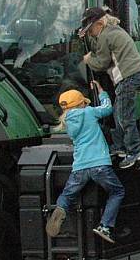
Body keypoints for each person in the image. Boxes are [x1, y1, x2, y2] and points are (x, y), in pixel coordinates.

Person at [45, 81, 125, 244]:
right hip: (99, 165)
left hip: (80, 167)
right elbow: (107, 108)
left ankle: (60, 208)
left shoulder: (66, 122)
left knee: (67, 195)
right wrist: (102, 91)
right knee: (117, 192)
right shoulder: (88, 112)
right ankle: (105, 226)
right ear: (82, 103)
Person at [80, 6, 140, 169]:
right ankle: (120, 147)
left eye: (90, 30)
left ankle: (134, 151)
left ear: (99, 24)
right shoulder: (113, 31)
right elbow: (99, 49)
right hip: (133, 75)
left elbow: (101, 63)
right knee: (118, 113)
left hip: (127, 77)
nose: (90, 33)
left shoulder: (106, 36)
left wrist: (87, 60)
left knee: (124, 116)